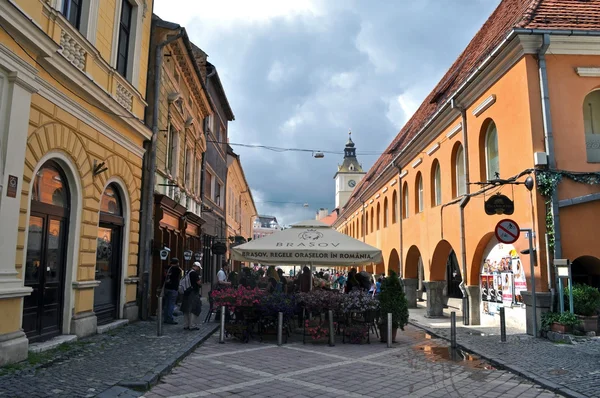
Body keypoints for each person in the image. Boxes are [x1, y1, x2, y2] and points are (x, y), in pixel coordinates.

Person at [182, 262, 202, 330]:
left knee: (186, 309)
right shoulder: (194, 273)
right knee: (194, 309)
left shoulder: (187, 272)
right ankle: (192, 325)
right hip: (193, 292)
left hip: (186, 292)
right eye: (198, 268)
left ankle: (186, 324)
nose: (198, 269)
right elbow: (198, 282)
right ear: (196, 266)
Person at [163, 258, 182, 325]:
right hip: (173, 288)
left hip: (166, 287)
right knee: (171, 304)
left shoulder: (167, 268)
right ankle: (170, 318)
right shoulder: (177, 269)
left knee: (166, 304)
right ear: (177, 263)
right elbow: (181, 272)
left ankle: (165, 318)